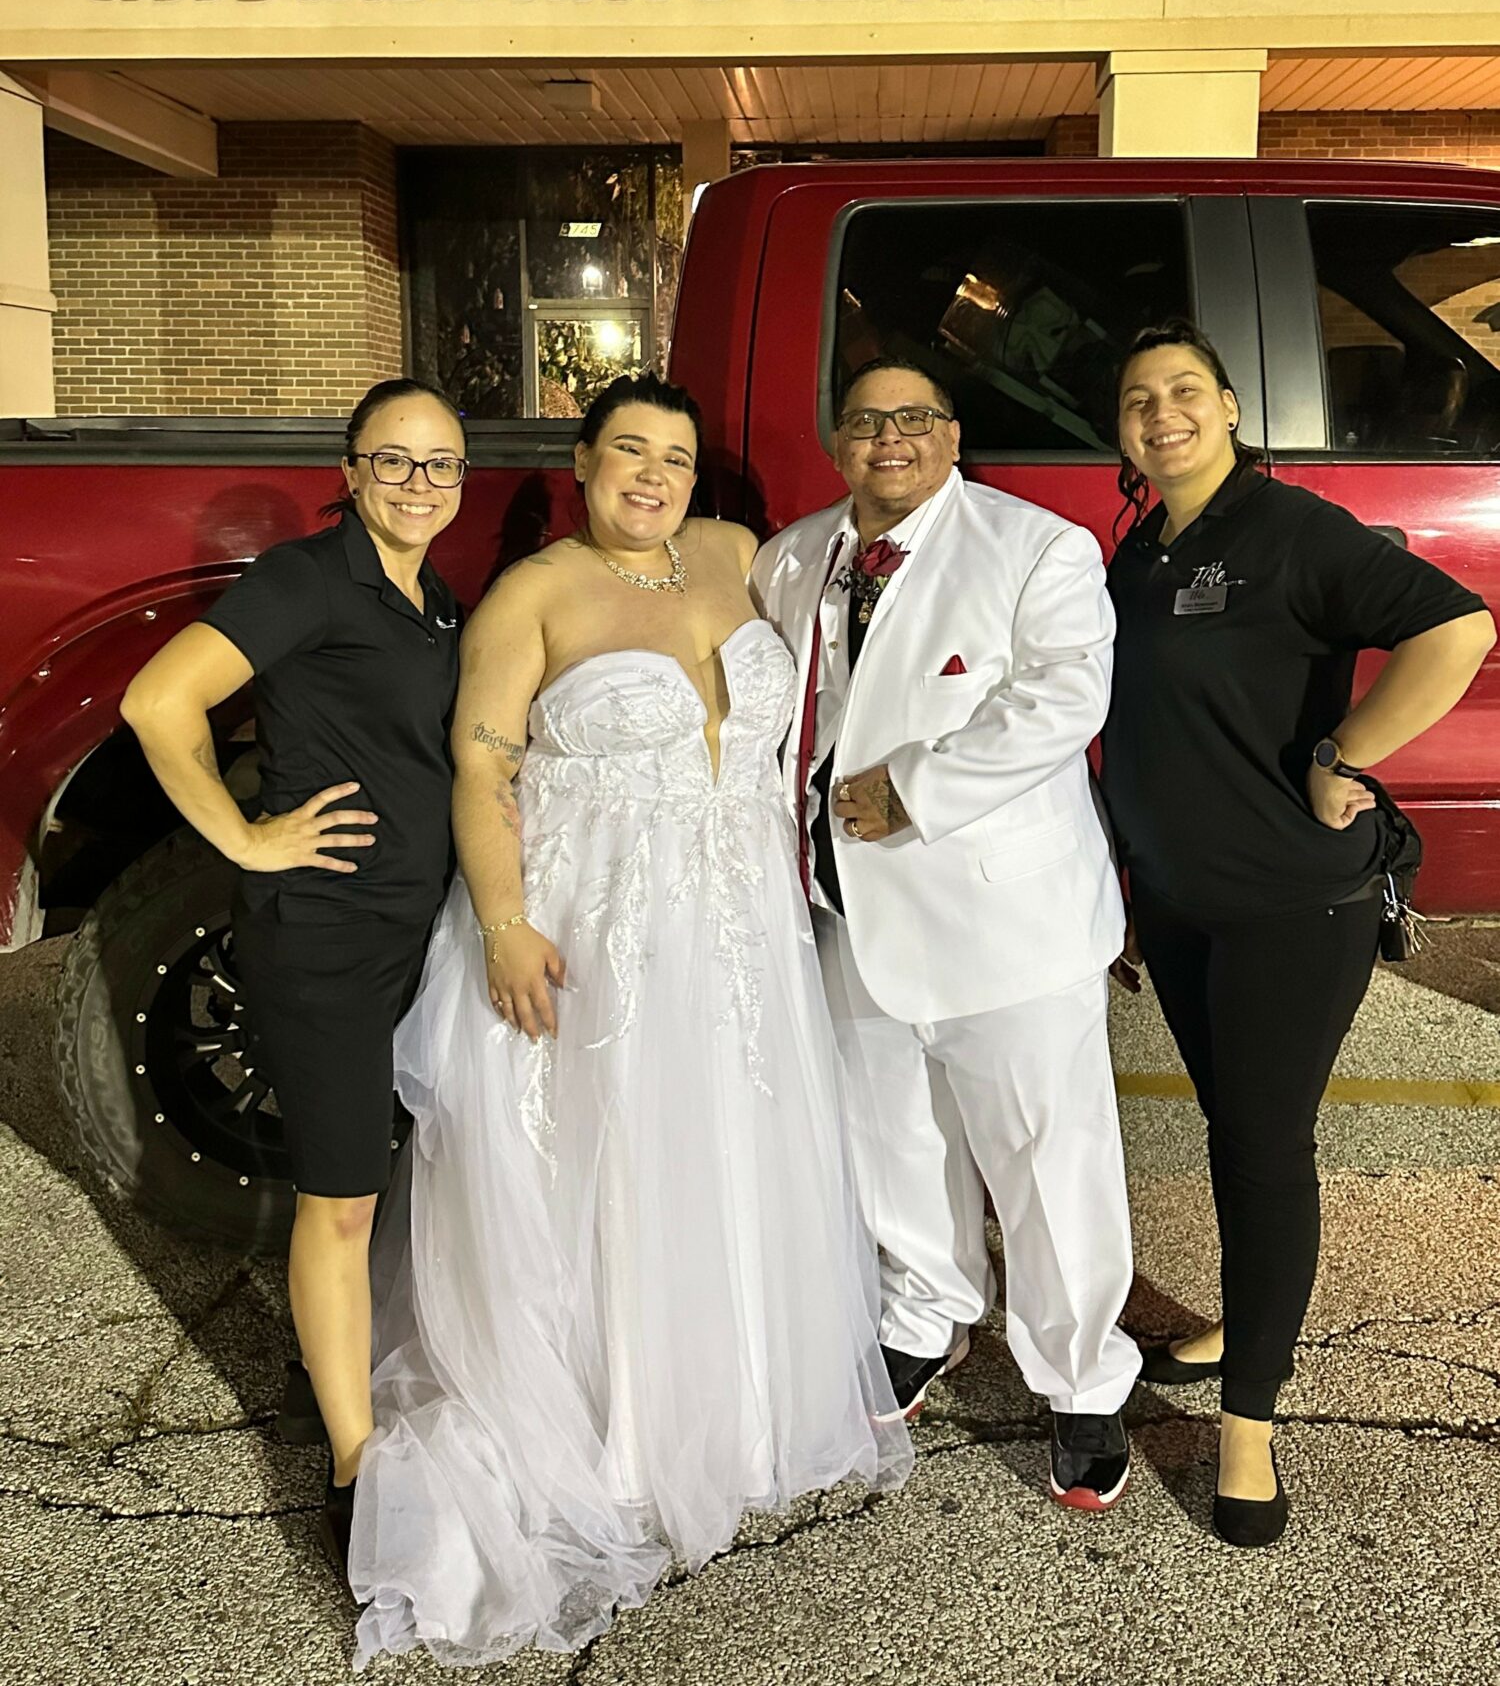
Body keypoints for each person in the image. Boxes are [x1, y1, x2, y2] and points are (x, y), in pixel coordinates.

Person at [350, 372, 910, 1669]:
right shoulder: (533, 593)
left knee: (734, 1146)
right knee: (612, 1163)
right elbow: (483, 766)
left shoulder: (733, 554)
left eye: (675, 456)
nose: (651, 476)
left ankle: (741, 1412)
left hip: (742, 924)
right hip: (595, 926)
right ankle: (624, 1431)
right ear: (584, 463)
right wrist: (503, 923)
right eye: (627, 452)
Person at [1101, 320, 1494, 1547]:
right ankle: (1246, 1315)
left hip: (1289, 904)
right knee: (1232, 1129)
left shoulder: (1288, 527)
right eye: (1138, 398)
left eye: (1185, 389)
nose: (1162, 412)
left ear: (1229, 406)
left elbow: (1458, 626)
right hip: (1178, 902)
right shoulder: (1145, 547)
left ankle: (1251, 1422)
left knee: (1265, 1146)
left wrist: (1345, 752)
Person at [751, 356, 1142, 1516]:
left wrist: (914, 787)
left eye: (914, 417)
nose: (890, 436)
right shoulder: (790, 557)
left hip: (1003, 919)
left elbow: (1065, 698)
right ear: (837, 440)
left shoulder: (1036, 547)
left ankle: (1082, 1379)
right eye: (866, 419)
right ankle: (925, 1315)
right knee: (891, 1139)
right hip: (846, 910)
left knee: (1047, 1159)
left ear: (953, 434)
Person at [121, 378, 467, 1576]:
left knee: (382, 1164)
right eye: (394, 459)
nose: (418, 482)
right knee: (342, 1195)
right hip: (321, 935)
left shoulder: (433, 597)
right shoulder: (307, 576)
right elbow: (157, 700)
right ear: (351, 468)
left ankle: (329, 1359)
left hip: (411, 930)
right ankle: (353, 1464)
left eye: (440, 463)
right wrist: (245, 835)